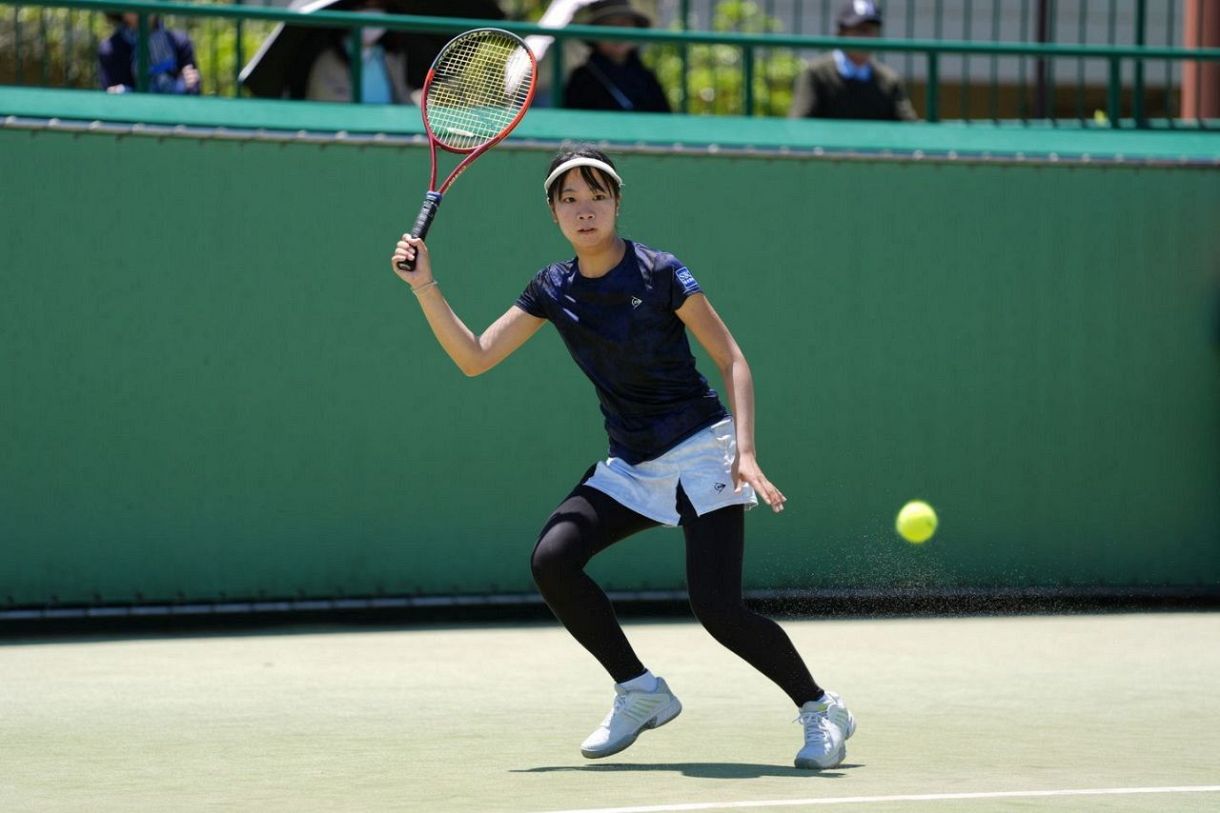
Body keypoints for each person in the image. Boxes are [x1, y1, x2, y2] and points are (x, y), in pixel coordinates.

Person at [389, 145, 856, 769]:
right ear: (553, 213)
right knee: (554, 560)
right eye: (570, 199)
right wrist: (425, 287)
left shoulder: (660, 273)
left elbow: (732, 359)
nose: (585, 210)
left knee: (716, 608)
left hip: (702, 449)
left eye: (597, 196)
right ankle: (639, 691)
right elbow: (475, 356)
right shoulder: (552, 287)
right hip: (632, 464)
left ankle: (821, 708)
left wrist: (745, 451)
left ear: (617, 203)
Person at [788, 0, 916, 121]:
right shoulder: (817, 73)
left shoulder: (889, 80)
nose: (866, 37)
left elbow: (909, 128)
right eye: (859, 30)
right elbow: (799, 123)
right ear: (841, 33)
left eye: (871, 30)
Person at [563, 0, 671, 112]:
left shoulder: (646, 77)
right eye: (608, 25)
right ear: (595, 33)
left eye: (623, 24)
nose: (617, 33)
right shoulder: (582, 79)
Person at [304, 0, 418, 104]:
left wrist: (418, 99)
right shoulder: (327, 62)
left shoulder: (390, 58)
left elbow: (402, 97)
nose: (373, 14)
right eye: (363, 6)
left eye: (378, 6)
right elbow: (331, 113)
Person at [98, 13, 201, 95]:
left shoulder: (180, 42)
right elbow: (114, 101)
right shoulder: (110, 49)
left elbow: (193, 90)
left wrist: (186, 86)